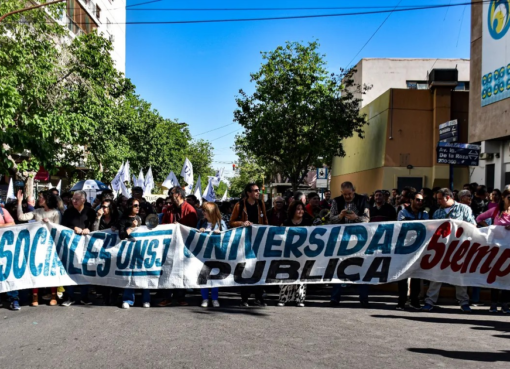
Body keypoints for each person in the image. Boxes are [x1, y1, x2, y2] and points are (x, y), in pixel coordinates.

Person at [422, 188, 476, 313]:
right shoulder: (437, 212)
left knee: (460, 274)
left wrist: (458, 226)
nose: (438, 201)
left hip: (459, 247)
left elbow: (473, 225)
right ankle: (430, 301)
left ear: (448, 197)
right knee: (436, 274)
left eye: (440, 199)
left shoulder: (464, 209)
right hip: (441, 247)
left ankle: (463, 302)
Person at [16, 190, 62, 306]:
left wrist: (49, 224)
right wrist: (19, 202)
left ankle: (53, 295)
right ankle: (35, 297)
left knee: (50, 270)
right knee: (34, 269)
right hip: (36, 246)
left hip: (50, 246)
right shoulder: (37, 211)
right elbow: (21, 217)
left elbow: (58, 229)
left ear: (47, 199)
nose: (39, 199)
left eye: (41, 197)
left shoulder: (56, 213)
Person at [329, 182, 371, 308]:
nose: (347, 196)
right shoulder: (336, 201)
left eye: (349, 194)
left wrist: (356, 218)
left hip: (359, 239)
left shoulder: (363, 200)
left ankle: (364, 298)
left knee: (361, 267)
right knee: (338, 267)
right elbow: (331, 219)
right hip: (342, 239)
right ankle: (335, 298)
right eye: (344, 194)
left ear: (354, 191)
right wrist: (340, 215)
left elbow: (367, 218)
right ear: (341, 193)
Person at [229, 183, 268, 307]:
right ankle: (244, 298)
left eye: (258, 190)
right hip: (245, 241)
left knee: (260, 267)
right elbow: (231, 222)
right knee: (246, 268)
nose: (258, 193)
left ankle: (259, 297)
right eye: (255, 191)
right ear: (248, 193)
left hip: (259, 240)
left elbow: (265, 221)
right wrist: (242, 223)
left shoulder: (261, 204)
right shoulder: (240, 205)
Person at [159, 187, 198, 307]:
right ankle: (167, 297)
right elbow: (163, 224)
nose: (170, 196)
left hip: (183, 246)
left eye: (172, 194)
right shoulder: (169, 210)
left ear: (179, 195)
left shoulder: (190, 209)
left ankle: (180, 297)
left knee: (181, 271)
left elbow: (192, 227)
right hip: (169, 245)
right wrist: (171, 226)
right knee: (167, 269)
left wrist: (180, 226)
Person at [476, 189, 510, 313]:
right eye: (509, 197)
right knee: (495, 275)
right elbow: (479, 218)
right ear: (504, 198)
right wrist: (490, 228)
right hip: (496, 248)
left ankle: (505, 304)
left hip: (509, 250)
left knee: (508, 276)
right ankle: (494, 303)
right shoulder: (496, 210)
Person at [60, 190, 97, 307]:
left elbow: (95, 226)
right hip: (71, 245)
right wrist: (73, 228)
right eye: (73, 199)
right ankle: (69, 296)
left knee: (84, 270)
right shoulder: (68, 212)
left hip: (86, 246)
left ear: (83, 200)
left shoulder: (90, 212)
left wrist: (89, 229)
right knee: (71, 269)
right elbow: (63, 226)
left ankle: (84, 296)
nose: (74, 201)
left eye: (77, 199)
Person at [396, 192, 429, 310]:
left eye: (421, 200)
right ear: (411, 200)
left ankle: (414, 300)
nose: (420, 202)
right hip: (404, 247)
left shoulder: (425, 214)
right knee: (402, 275)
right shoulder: (402, 212)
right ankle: (402, 301)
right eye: (417, 200)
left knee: (416, 274)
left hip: (419, 248)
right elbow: (402, 226)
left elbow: (427, 228)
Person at [117, 198, 151, 309]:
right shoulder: (123, 219)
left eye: (138, 205)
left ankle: (146, 299)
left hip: (142, 250)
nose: (137, 207)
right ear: (129, 207)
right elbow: (121, 235)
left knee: (144, 274)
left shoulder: (142, 218)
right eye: (135, 205)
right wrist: (132, 227)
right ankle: (128, 299)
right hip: (128, 252)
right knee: (130, 275)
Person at [278, 201, 311, 307]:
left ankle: (300, 299)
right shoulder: (286, 222)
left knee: (301, 275)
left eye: (302, 209)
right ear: (293, 210)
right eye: (298, 209)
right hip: (288, 253)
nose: (301, 211)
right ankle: (283, 298)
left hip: (303, 253)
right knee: (286, 274)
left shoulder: (308, 221)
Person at [197, 202, 227, 308]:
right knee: (203, 277)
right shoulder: (201, 223)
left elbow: (227, 238)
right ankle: (205, 298)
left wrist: (221, 234)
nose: (203, 212)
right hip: (203, 255)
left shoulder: (221, 223)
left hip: (216, 255)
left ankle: (215, 298)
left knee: (215, 278)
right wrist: (200, 232)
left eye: (205, 210)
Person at [0, 204, 18, 310]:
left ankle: (14, 299)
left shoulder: (2, 211)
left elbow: (12, 223)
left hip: (4, 247)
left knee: (8, 272)